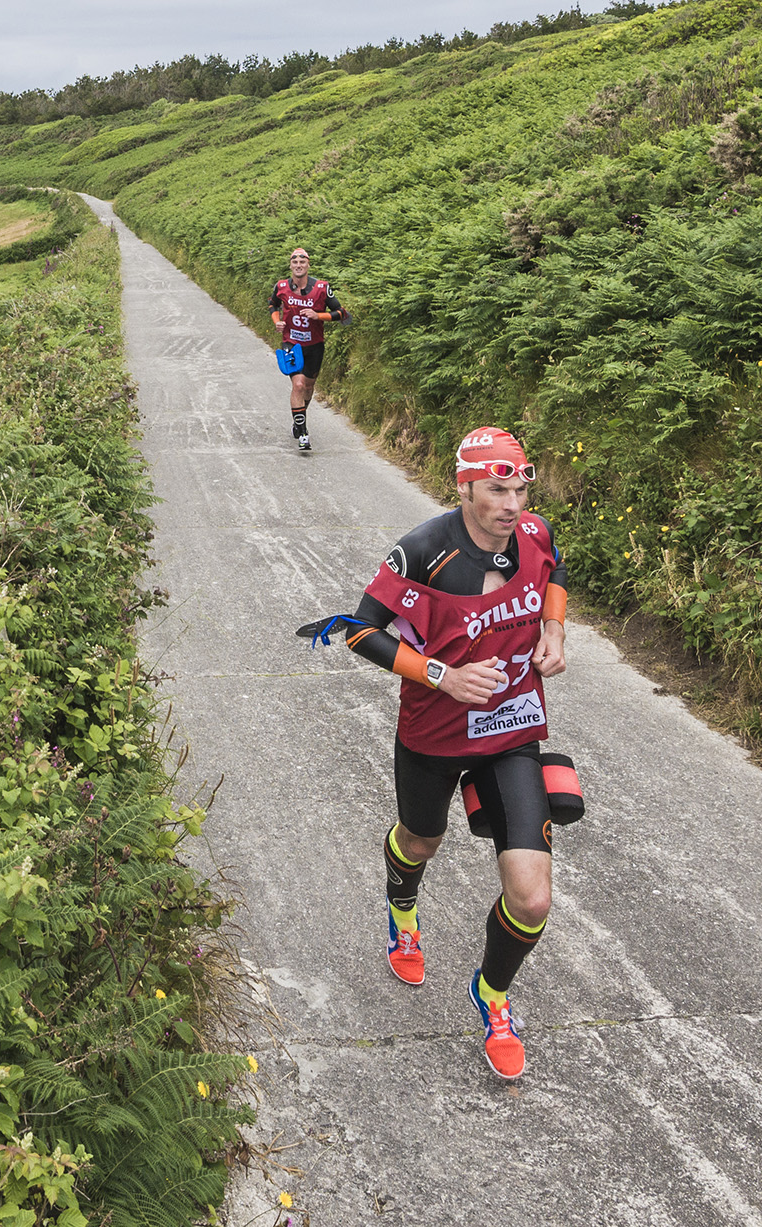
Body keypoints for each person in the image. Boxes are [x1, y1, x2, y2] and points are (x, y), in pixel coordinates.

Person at [338, 426, 568, 1079]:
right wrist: (443, 675)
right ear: (465, 485)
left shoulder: (535, 534)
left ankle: (493, 994)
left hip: (513, 730)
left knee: (532, 898)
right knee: (421, 838)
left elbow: (555, 571)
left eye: (521, 486)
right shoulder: (424, 552)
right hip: (435, 730)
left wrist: (554, 628)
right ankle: (402, 909)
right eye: (497, 488)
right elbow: (360, 631)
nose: (512, 502)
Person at [269, 248, 347, 451]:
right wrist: (277, 321)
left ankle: (298, 419)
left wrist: (318, 316)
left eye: (302, 262)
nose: (298, 266)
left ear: (308, 265)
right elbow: (272, 305)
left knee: (309, 387)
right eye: (295, 263)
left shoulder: (321, 288)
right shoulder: (281, 286)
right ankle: (303, 432)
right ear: (290, 266)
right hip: (291, 344)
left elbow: (342, 313)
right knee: (299, 384)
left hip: (314, 346)